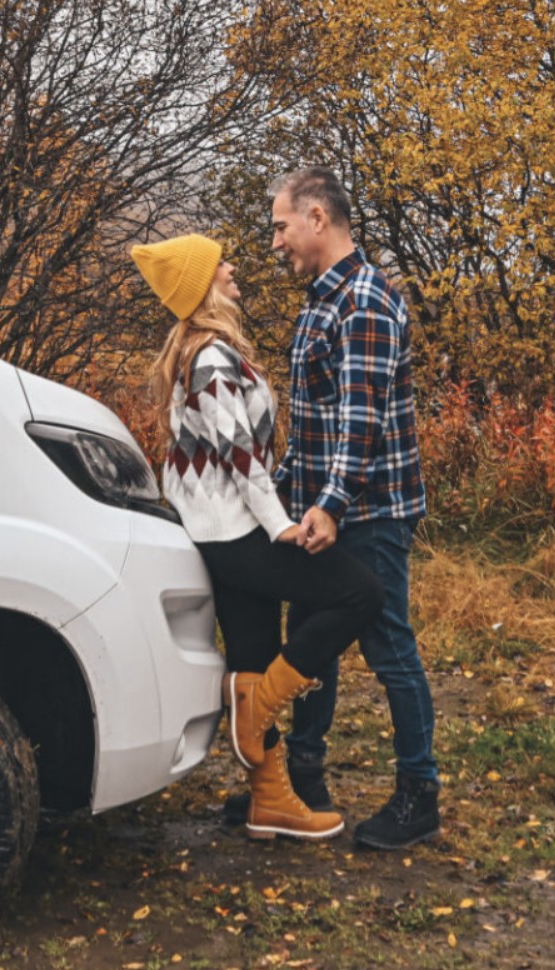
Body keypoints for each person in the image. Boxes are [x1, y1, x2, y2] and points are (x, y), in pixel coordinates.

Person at [130, 232, 382, 841]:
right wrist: (283, 527)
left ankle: (267, 801)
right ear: (202, 284)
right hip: (236, 531)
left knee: (252, 656)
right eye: (222, 265)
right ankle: (260, 704)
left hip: (226, 528)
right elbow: (241, 456)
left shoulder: (206, 351)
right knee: (358, 595)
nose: (234, 268)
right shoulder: (211, 356)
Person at [268, 168, 442, 851]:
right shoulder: (320, 301)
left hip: (371, 513)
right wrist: (279, 496)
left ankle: (418, 795)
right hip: (325, 508)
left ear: (317, 217)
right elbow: (312, 424)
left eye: (281, 225)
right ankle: (303, 778)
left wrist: (333, 505)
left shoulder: (364, 300)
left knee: (388, 644)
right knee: (311, 636)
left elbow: (358, 421)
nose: (275, 241)